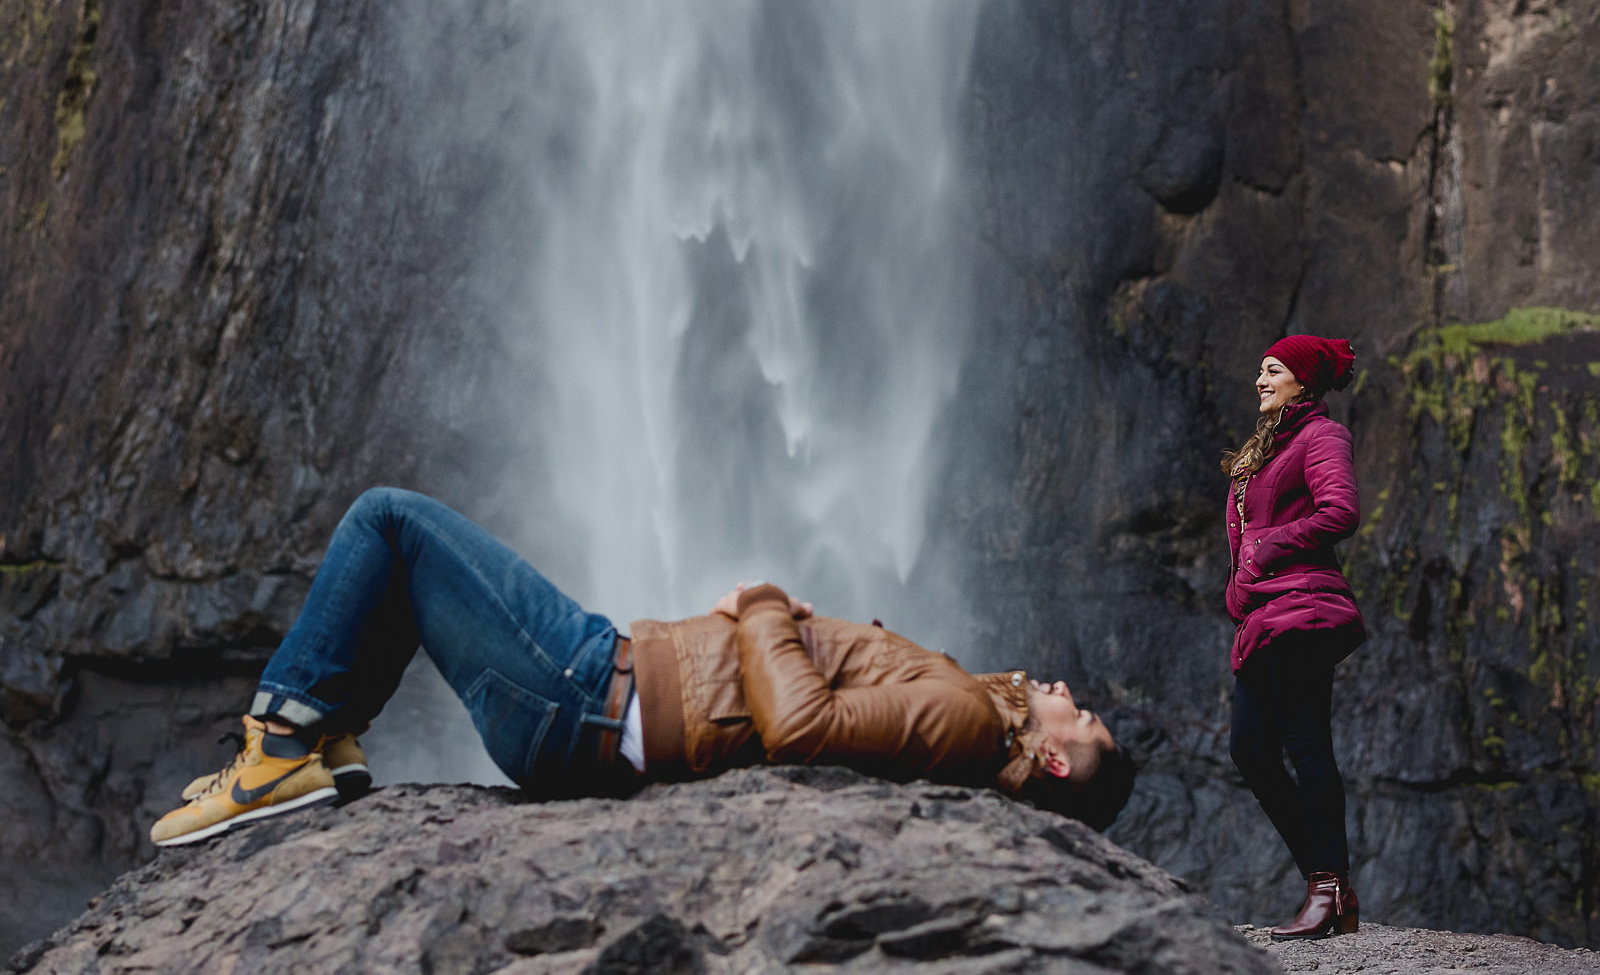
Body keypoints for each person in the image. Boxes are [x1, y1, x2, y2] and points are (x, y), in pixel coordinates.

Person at [151, 488, 1137, 847]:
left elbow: (800, 728)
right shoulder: (967, 712)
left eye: (1078, 714)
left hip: (587, 693)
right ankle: (319, 741)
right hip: (595, 689)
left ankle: (279, 744)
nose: (1064, 692)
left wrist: (758, 600)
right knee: (410, 570)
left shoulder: (967, 715)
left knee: (388, 520)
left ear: (1052, 762)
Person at [1222, 334, 1367, 940]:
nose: (1260, 379)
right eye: (1260, 369)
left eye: (1273, 370)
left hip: (1303, 611)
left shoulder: (1321, 437)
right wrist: (1240, 580)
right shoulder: (1267, 444)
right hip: (1264, 616)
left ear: (1303, 382)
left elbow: (1341, 511)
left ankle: (1326, 889)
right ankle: (1328, 883)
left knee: (1306, 743)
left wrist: (1264, 548)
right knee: (1250, 748)